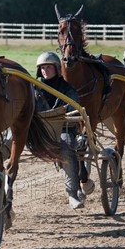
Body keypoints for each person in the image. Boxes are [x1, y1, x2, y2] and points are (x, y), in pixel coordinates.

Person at [34, 51, 91, 210]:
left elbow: (73, 107)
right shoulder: (35, 87)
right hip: (40, 131)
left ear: (57, 68)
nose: (45, 71)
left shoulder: (67, 88)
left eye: (48, 67)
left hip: (63, 128)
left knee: (66, 145)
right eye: (42, 68)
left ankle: (72, 194)